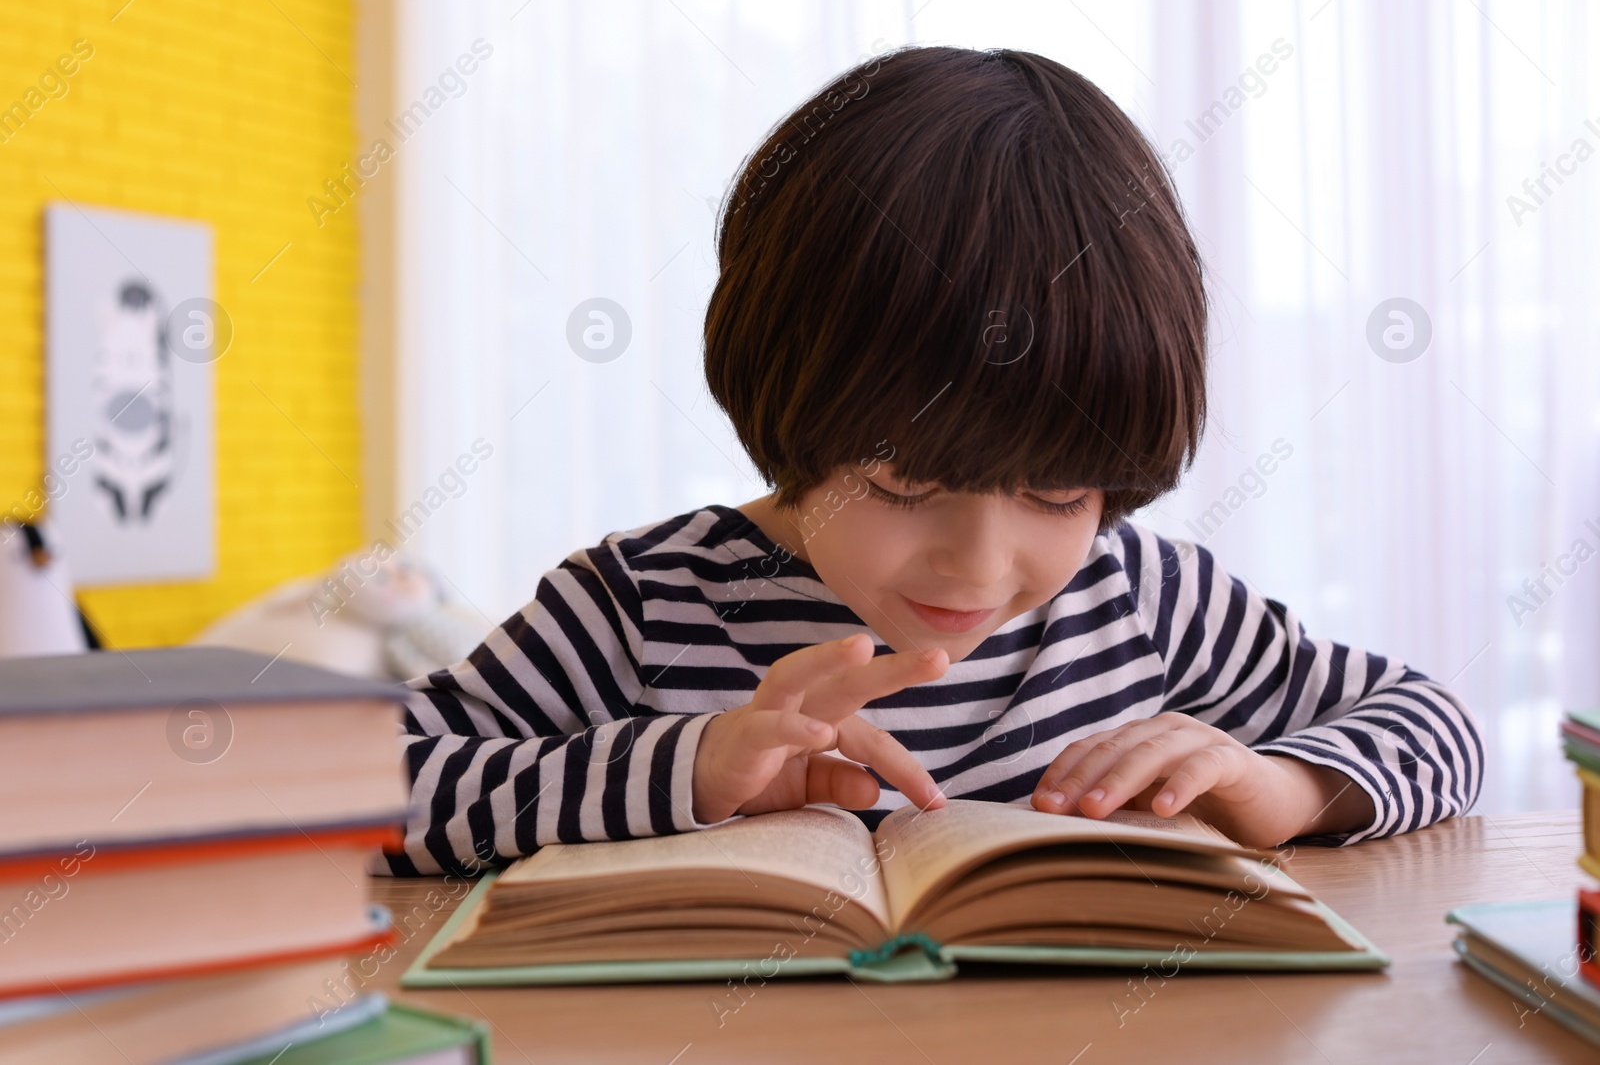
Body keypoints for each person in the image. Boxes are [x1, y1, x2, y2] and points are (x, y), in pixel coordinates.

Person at [382, 45, 1481, 876]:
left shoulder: (1141, 597)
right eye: (904, 485)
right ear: (790, 398)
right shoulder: (639, 605)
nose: (975, 566)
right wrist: (688, 764)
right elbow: (355, 791)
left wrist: (1283, 785)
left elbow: (1439, 724)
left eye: (1057, 491)